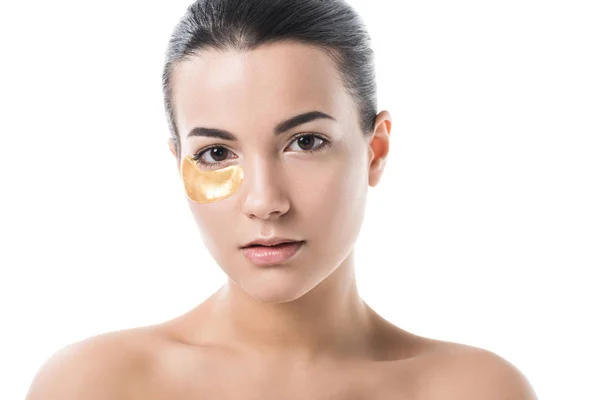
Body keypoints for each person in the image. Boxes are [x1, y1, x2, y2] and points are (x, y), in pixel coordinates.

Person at [25, 0, 538, 398]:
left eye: (305, 142)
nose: (265, 201)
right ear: (178, 164)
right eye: (216, 153)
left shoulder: (478, 391)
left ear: (375, 150)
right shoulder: (92, 387)